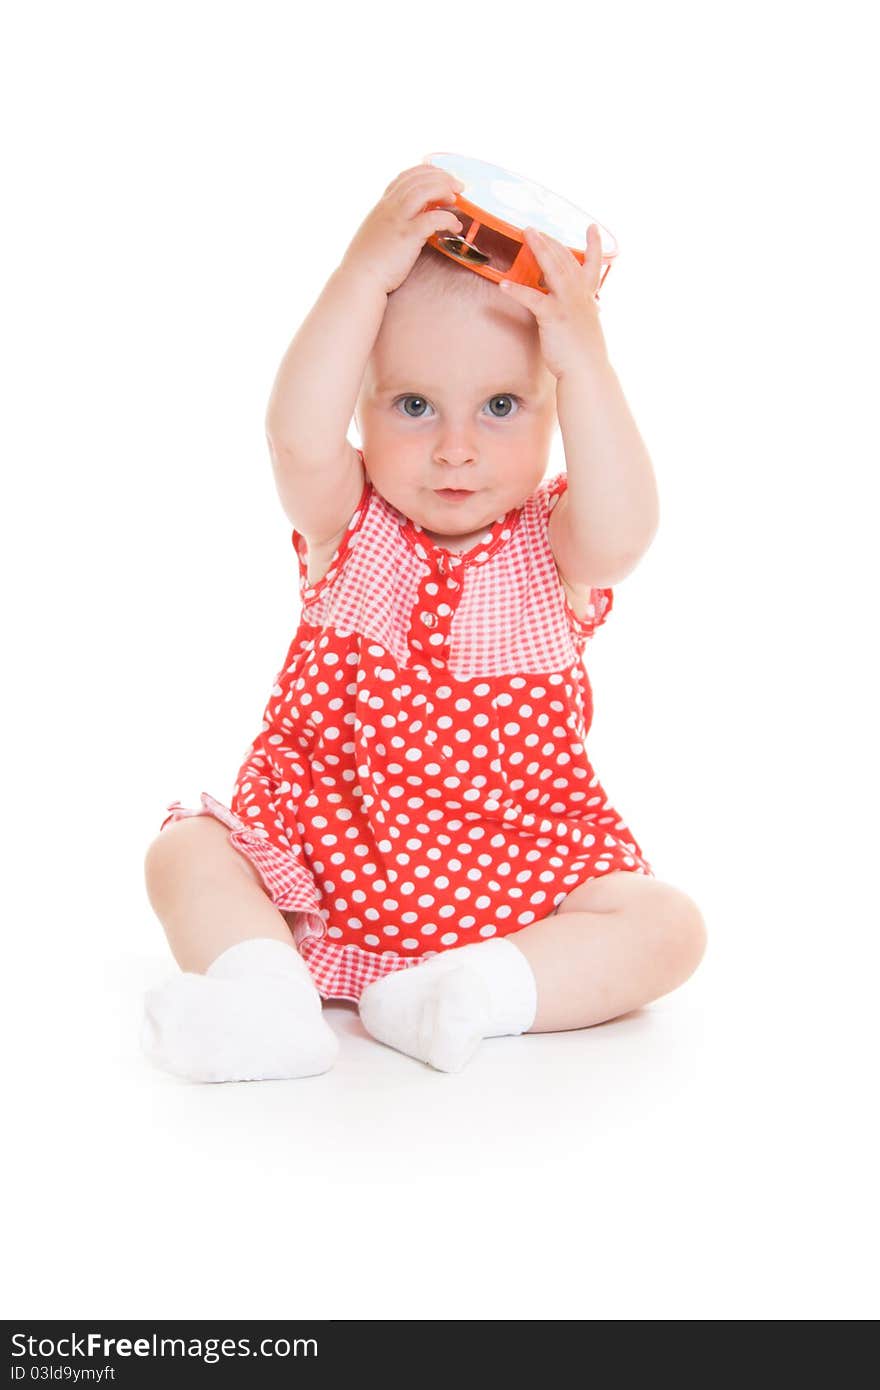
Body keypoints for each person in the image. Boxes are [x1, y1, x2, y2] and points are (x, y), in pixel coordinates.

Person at [141, 162, 707, 1082]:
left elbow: (629, 525)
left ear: (556, 408)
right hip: (325, 859)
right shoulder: (348, 520)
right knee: (184, 849)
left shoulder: (560, 545)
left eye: (501, 406)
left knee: (667, 928)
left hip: (518, 874)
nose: (455, 446)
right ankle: (264, 996)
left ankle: (470, 993)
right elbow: (296, 434)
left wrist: (585, 356)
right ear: (364, 407)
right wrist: (360, 277)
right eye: (413, 406)